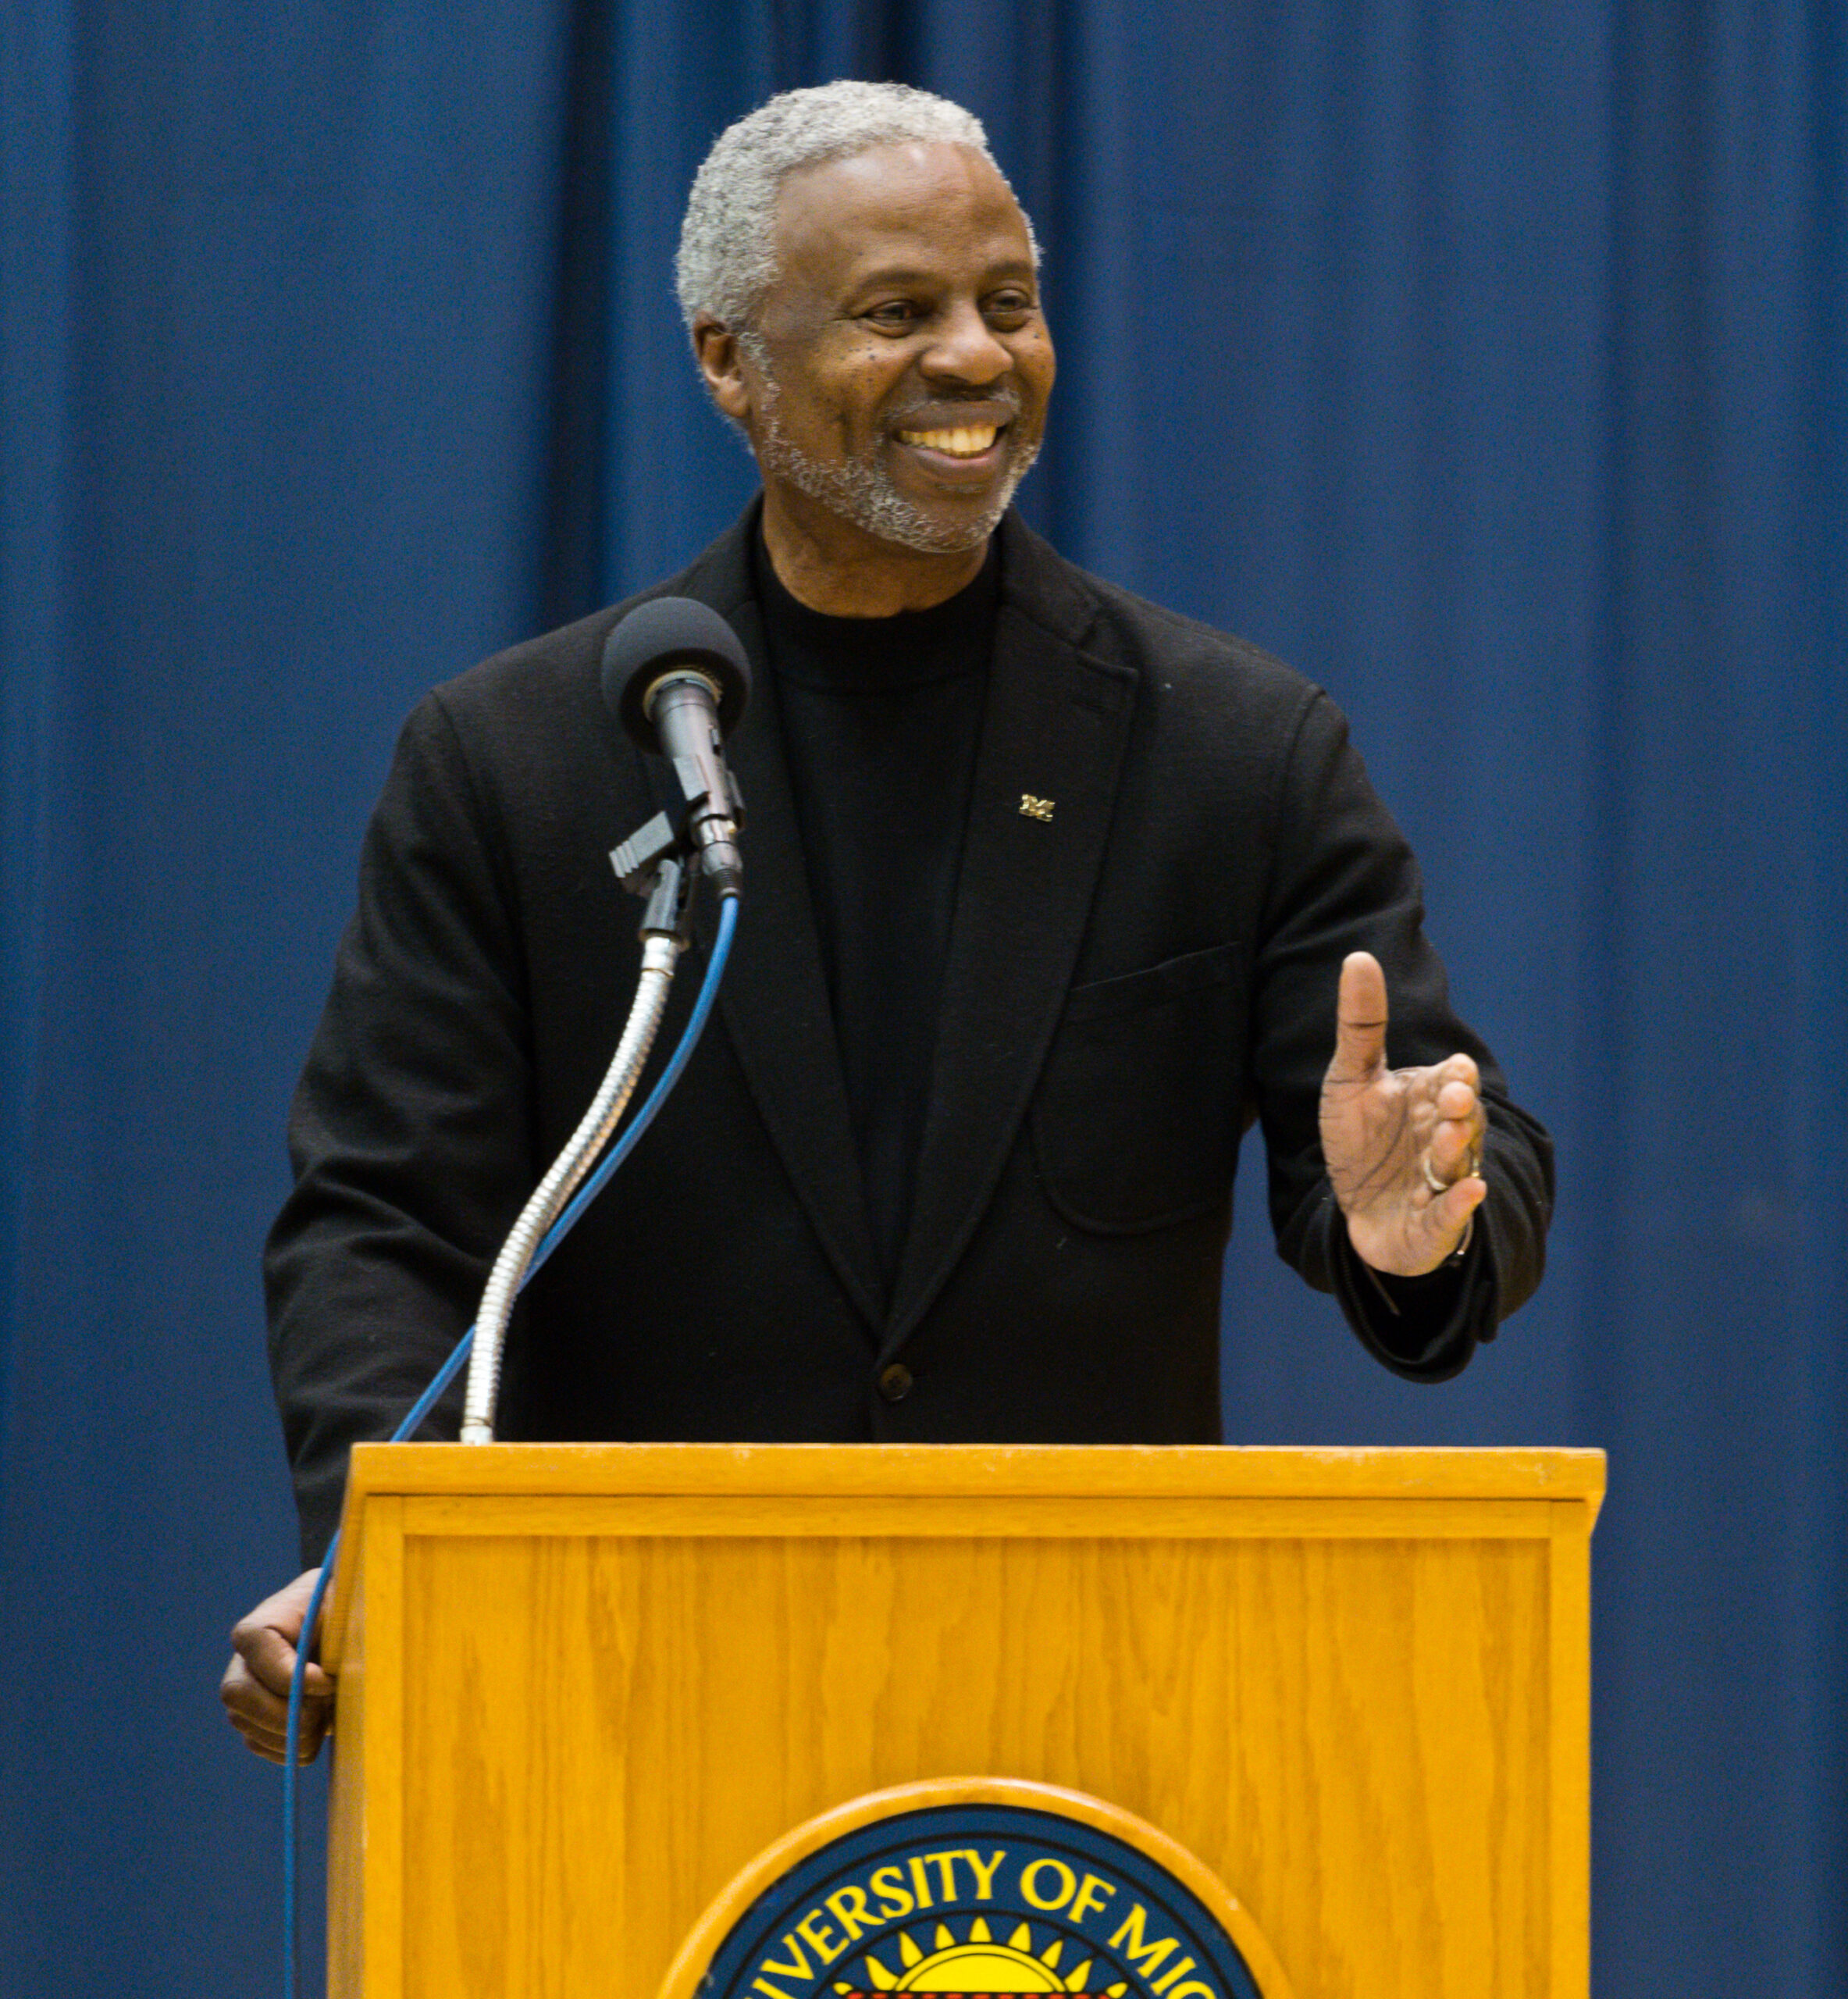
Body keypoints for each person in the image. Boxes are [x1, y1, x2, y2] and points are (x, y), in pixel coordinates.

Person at [221, 81, 1552, 1765]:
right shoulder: (518, 758)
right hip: (625, 1700)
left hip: (1092, 1714)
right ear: (727, 359)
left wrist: (1412, 1216)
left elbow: (1436, 1140)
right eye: (895, 311)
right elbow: (386, 1225)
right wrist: (381, 1558)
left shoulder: (1230, 744)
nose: (978, 358)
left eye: (1007, 301)